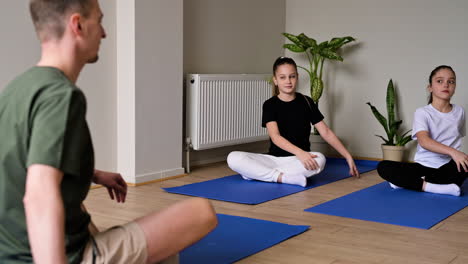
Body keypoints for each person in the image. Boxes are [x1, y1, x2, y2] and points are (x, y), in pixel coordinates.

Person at [0, 0, 217, 263]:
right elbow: (40, 194)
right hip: (54, 256)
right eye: (99, 20)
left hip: (11, 250)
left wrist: (92, 174)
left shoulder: (17, 88)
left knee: (165, 252)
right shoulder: (61, 96)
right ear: (78, 25)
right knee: (200, 212)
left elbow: (20, 161)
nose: (104, 32)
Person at [227, 56, 359, 187]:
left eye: (292, 76)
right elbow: (275, 137)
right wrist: (300, 152)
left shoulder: (307, 102)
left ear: (297, 77)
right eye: (282, 77)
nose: (288, 81)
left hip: (298, 161)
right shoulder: (270, 104)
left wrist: (347, 156)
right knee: (233, 157)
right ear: (275, 80)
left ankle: (257, 174)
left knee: (320, 159)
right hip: (273, 159)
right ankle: (282, 178)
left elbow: (326, 132)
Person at [377, 65, 467, 196]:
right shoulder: (422, 113)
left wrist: (458, 156)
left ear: (454, 87)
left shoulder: (460, 112)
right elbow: (424, 141)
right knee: (383, 167)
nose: (446, 85)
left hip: (448, 167)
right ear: (430, 87)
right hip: (423, 166)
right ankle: (433, 187)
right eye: (440, 81)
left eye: (451, 81)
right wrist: (454, 152)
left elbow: (457, 137)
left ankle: (409, 183)